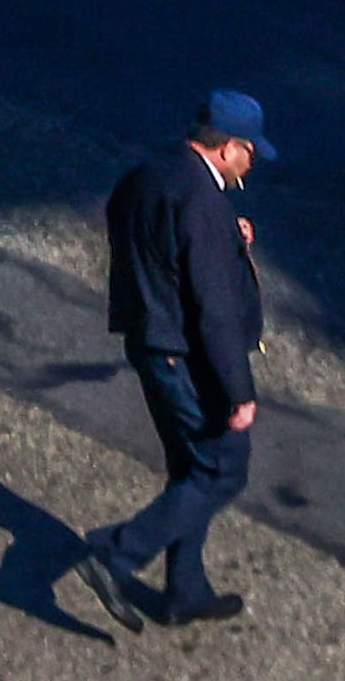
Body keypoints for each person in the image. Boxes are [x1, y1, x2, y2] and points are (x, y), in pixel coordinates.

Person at [81, 90, 273, 635]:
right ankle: (115, 556)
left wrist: (222, 240)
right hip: (185, 357)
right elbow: (213, 310)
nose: (252, 163)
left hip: (147, 340)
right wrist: (239, 393)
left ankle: (184, 593)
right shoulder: (206, 204)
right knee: (222, 469)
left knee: (190, 471)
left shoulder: (152, 174)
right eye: (250, 152)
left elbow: (133, 222)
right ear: (228, 147)